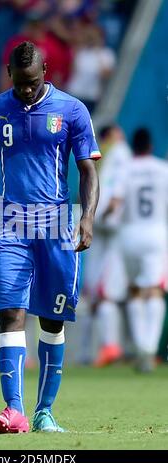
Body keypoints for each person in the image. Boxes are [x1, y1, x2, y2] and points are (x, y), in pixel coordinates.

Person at [0, 41, 100, 434]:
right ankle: (14, 411)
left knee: (52, 319)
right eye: (20, 83)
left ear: (46, 72)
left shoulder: (72, 110)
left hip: (57, 223)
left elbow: (89, 171)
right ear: (9, 73)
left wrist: (88, 217)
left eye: (33, 83)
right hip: (9, 225)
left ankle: (45, 411)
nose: (27, 90)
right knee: (10, 314)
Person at [104, 128, 168, 372]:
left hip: (129, 235)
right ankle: (150, 350)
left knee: (135, 291)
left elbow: (114, 203)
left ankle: (141, 346)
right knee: (154, 290)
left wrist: (103, 218)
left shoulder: (126, 169)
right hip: (156, 234)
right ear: (150, 146)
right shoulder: (163, 169)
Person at [82, 125, 131, 366]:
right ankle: (109, 347)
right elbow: (118, 188)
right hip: (112, 226)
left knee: (98, 292)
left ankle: (103, 348)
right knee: (104, 293)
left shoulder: (98, 154)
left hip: (98, 224)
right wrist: (110, 210)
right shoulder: (120, 151)